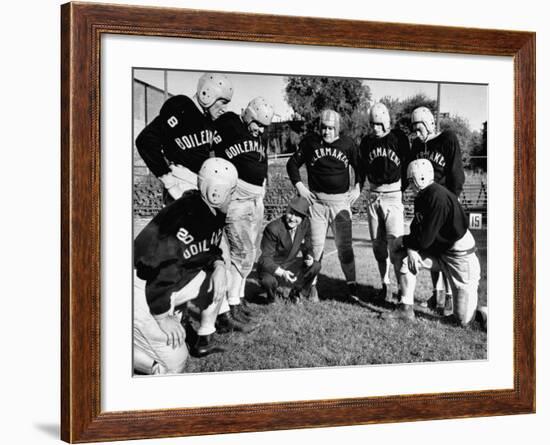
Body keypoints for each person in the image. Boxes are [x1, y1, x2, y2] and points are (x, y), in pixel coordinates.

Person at [133, 158, 247, 375]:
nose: (234, 196)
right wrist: (162, 316)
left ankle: (202, 337)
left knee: (223, 280)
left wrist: (219, 265)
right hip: (141, 286)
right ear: (216, 192)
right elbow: (157, 267)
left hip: (161, 282)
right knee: (174, 365)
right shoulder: (187, 218)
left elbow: (209, 247)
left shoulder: (208, 209)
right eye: (231, 191)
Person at [386, 159, 485, 329]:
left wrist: (404, 241)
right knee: (400, 256)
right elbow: (417, 230)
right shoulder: (423, 196)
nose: (410, 184)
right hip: (440, 252)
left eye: (411, 180)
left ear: (421, 178)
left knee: (463, 321)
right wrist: (409, 249)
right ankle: (405, 308)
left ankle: (488, 313)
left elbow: (424, 240)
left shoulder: (437, 197)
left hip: (459, 258)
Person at [286, 109, 361, 301]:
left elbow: (360, 166)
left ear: (337, 128)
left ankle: (352, 285)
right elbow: (292, 164)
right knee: (315, 248)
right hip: (317, 203)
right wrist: (300, 186)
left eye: (330, 128)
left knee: (344, 248)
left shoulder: (347, 143)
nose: (326, 132)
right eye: (323, 128)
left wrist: (358, 187)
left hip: (340, 203)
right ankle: (312, 287)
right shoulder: (311, 142)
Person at [211, 97, 274, 322]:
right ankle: (231, 304)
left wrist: (263, 188)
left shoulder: (258, 135)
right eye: (257, 123)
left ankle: (238, 295)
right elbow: (211, 146)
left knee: (248, 254)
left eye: (265, 126)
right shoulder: (228, 121)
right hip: (237, 198)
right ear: (248, 114)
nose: (260, 129)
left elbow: (261, 162)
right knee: (242, 252)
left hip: (256, 199)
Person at [135, 72, 234, 205]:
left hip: (201, 185)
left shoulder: (210, 120)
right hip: (181, 184)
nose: (224, 109)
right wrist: (169, 182)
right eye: (223, 102)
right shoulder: (182, 107)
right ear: (207, 93)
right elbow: (145, 141)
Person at [408, 106, 466, 312]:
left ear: (430, 123)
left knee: (446, 250)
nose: (417, 133)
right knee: (430, 247)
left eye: (420, 127)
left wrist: (451, 201)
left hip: (445, 203)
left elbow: (457, 174)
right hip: (427, 203)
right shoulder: (416, 144)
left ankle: (449, 296)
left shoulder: (447, 138)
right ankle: (437, 295)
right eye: (414, 128)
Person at [358, 102, 409, 303]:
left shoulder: (398, 138)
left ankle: (403, 292)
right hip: (373, 195)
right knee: (378, 247)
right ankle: (385, 284)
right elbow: (362, 168)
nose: (375, 128)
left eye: (379, 124)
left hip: (393, 195)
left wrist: (400, 191)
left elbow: (407, 165)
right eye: (372, 124)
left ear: (387, 122)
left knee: (396, 245)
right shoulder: (366, 142)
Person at [257, 196, 321, 303]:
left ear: (303, 217)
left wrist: (309, 256)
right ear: (286, 210)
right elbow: (265, 258)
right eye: (290, 213)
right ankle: (271, 298)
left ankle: (297, 292)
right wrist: (282, 273)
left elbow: (308, 245)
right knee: (268, 281)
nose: (292, 218)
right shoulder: (272, 228)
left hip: (290, 264)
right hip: (272, 266)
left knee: (315, 265)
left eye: (297, 215)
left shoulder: (305, 224)